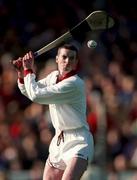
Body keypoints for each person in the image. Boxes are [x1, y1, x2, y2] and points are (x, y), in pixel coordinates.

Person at [12, 43, 94, 180]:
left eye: (72, 58)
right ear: (57, 59)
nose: (67, 61)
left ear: (76, 62)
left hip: (79, 141)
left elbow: (36, 95)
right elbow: (29, 90)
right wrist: (22, 74)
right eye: (64, 57)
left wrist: (28, 70)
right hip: (58, 140)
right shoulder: (53, 76)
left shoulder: (74, 84)